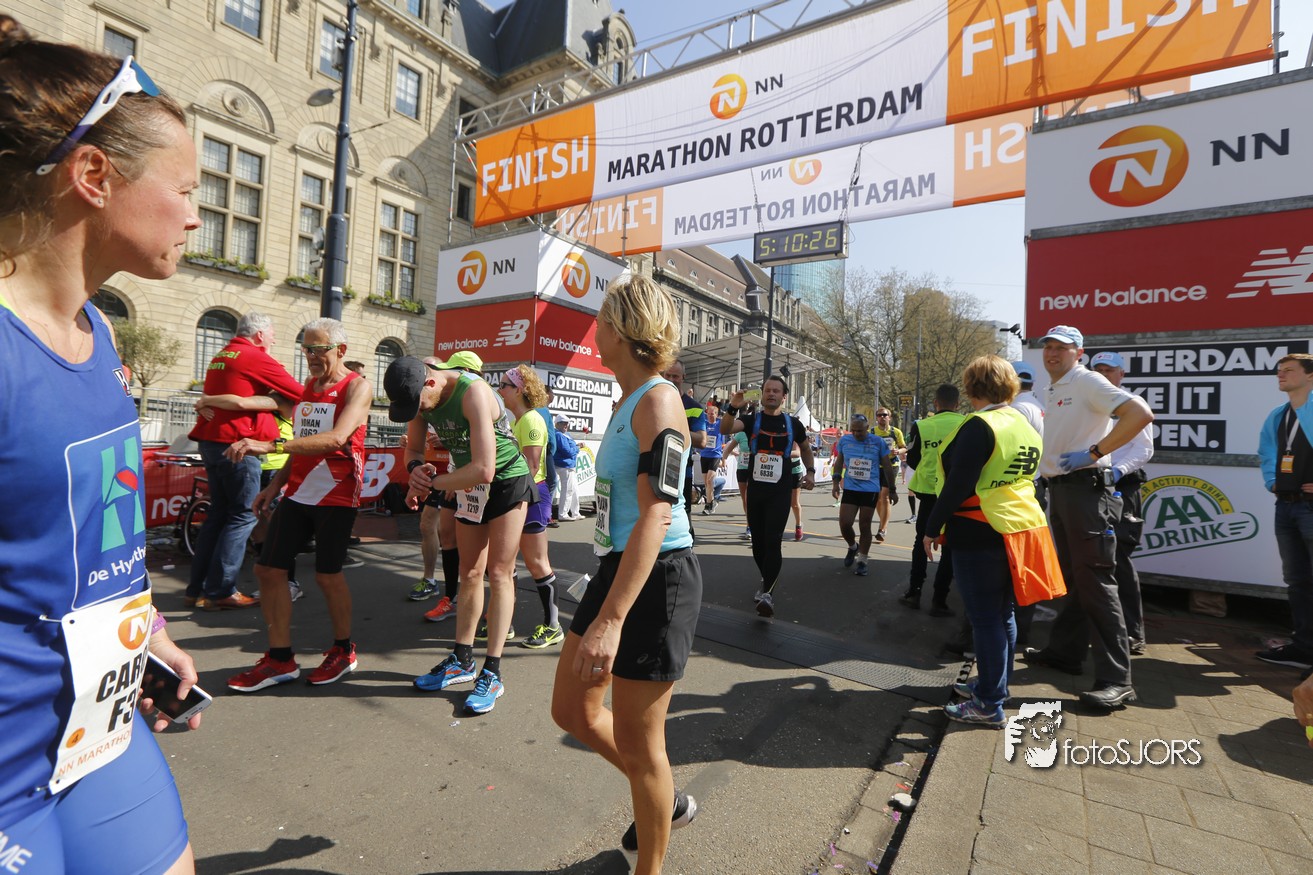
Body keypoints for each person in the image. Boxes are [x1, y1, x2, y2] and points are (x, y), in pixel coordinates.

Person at [0, 21, 202, 871]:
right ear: (93, 176)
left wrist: (139, 627)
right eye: (184, 189)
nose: (196, 215)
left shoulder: (100, 334)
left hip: (101, 733)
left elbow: (92, 527)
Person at [550, 274, 702, 874]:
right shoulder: (626, 398)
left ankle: (651, 862)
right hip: (617, 564)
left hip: (659, 577)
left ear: (620, 328)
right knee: (573, 711)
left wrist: (611, 621)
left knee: (643, 746)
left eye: (601, 317)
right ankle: (665, 798)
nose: (595, 327)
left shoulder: (659, 400)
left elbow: (658, 515)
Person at [224, 318, 372, 692]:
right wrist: (275, 486)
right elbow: (304, 441)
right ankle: (280, 659)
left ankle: (343, 651)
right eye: (306, 349)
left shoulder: (357, 387)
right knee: (268, 570)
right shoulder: (308, 386)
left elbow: (336, 439)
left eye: (318, 349)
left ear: (340, 350)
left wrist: (270, 446)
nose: (311, 356)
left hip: (337, 493)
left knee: (327, 575)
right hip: (299, 491)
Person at [385, 356, 534, 715]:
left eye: (418, 404)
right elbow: (413, 450)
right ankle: (462, 659)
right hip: (468, 485)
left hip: (507, 482)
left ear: (430, 382)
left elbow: (484, 469)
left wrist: (432, 484)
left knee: (499, 573)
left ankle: (492, 671)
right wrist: (415, 470)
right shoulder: (420, 398)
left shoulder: (473, 393)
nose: (418, 411)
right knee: (469, 573)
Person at [1025, 325, 1154, 710]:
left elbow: (1140, 413)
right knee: (1074, 579)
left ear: (1079, 353)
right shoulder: (1053, 388)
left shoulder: (1086, 381)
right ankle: (1065, 653)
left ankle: (1117, 680)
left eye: (1062, 348)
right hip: (1063, 491)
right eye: (1048, 346)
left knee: (1097, 582)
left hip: (1086, 491)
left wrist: (1096, 452)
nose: (1052, 353)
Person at [923, 356, 1054, 727]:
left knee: (985, 619)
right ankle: (995, 686)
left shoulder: (980, 425)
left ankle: (988, 703)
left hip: (980, 528)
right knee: (1003, 614)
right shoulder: (1023, 423)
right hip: (1019, 527)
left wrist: (931, 527)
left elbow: (958, 484)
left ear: (971, 386)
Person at [186, 311, 303, 611]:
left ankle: (197, 588)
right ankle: (221, 590)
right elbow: (300, 393)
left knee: (219, 514)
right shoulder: (254, 357)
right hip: (238, 444)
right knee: (243, 515)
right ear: (260, 334)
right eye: (272, 333)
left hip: (212, 440)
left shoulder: (222, 355)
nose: (274, 339)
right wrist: (273, 401)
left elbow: (220, 395)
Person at [720, 376, 817, 617]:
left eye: (776, 391)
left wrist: (811, 472)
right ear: (762, 394)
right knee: (758, 543)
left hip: (780, 491)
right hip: (756, 491)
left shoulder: (793, 423)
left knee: (773, 541)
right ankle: (766, 578)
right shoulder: (751, 420)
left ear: (784, 397)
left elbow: (806, 449)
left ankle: (768, 594)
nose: (771, 394)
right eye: (767, 390)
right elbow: (725, 429)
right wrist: (733, 407)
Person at [195, 392, 303, 603]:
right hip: (253, 465)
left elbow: (240, 403)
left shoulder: (278, 399)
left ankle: (289, 583)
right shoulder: (250, 400)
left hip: (277, 469)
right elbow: (229, 402)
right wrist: (202, 404)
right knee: (258, 527)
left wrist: (206, 401)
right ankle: (272, 582)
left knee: (277, 527)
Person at [1089, 352, 1154, 656]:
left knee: (1120, 560)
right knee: (1090, 558)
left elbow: (1144, 449)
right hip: (1090, 488)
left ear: (1121, 374)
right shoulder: (1089, 404)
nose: (1103, 374)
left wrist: (1117, 471)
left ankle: (1132, 633)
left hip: (1122, 489)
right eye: (1098, 369)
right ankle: (1094, 627)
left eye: (1109, 370)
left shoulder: (1132, 404)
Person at [499, 364, 565, 649]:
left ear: (519, 390)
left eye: (504, 385)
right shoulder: (516, 420)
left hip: (531, 495)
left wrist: (506, 495)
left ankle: (553, 626)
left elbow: (532, 466)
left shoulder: (531, 419)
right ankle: (505, 621)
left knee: (537, 563)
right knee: (504, 562)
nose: (499, 389)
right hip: (519, 494)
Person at [1257, 353, 1313, 669]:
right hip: (1287, 506)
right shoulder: (1279, 415)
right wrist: (1272, 481)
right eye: (1279, 370)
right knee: (1298, 581)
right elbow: (1266, 451)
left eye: (1289, 370)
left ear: (1310, 375)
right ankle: (1304, 649)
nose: (1281, 375)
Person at [901, 385, 966, 613]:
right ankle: (939, 600)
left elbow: (912, 458)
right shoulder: (968, 424)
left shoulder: (921, 425)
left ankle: (914, 591)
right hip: (956, 493)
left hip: (929, 491)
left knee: (921, 541)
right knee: (950, 546)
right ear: (957, 404)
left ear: (935, 403)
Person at [831, 413, 895, 577]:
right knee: (845, 524)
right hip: (851, 488)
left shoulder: (878, 442)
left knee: (865, 525)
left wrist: (892, 489)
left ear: (867, 428)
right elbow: (839, 462)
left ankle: (862, 561)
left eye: (859, 431)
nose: (856, 434)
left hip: (870, 489)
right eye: (853, 430)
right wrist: (835, 483)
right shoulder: (845, 441)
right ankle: (853, 547)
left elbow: (887, 466)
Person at [662, 361, 707, 536]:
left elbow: (701, 441)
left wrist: (674, 428)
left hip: (681, 472)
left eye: (675, 376)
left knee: (683, 518)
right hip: (653, 469)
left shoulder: (694, 407)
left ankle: (686, 550)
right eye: (668, 375)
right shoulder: (652, 400)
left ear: (683, 377)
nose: (671, 379)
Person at [871, 408, 906, 543]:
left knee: (885, 496)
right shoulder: (871, 432)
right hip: (875, 466)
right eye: (879, 415)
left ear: (889, 417)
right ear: (876, 418)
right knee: (877, 498)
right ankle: (883, 522)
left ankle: (883, 529)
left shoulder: (895, 432)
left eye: (884, 415)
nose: (882, 417)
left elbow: (904, 447)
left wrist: (898, 451)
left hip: (891, 466)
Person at [724, 429, 752, 538]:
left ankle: (754, 525)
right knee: (745, 500)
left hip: (755, 470)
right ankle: (749, 525)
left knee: (751, 498)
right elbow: (728, 449)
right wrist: (724, 460)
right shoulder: (741, 434)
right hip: (742, 469)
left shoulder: (758, 433)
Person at [554, 415, 583, 520]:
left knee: (574, 490)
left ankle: (575, 513)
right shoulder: (559, 435)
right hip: (564, 465)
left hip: (569, 465)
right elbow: (568, 452)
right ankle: (563, 514)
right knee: (567, 490)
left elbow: (570, 449)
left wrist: (575, 447)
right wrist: (578, 448)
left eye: (567, 423)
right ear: (557, 424)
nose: (566, 425)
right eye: (563, 423)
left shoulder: (565, 434)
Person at [700, 401, 724, 513]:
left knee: (709, 480)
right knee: (706, 482)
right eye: (708, 413)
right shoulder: (704, 424)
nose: (710, 415)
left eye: (712, 414)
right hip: (704, 455)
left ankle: (708, 505)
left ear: (716, 414)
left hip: (715, 455)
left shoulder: (719, 424)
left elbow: (729, 420)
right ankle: (712, 501)